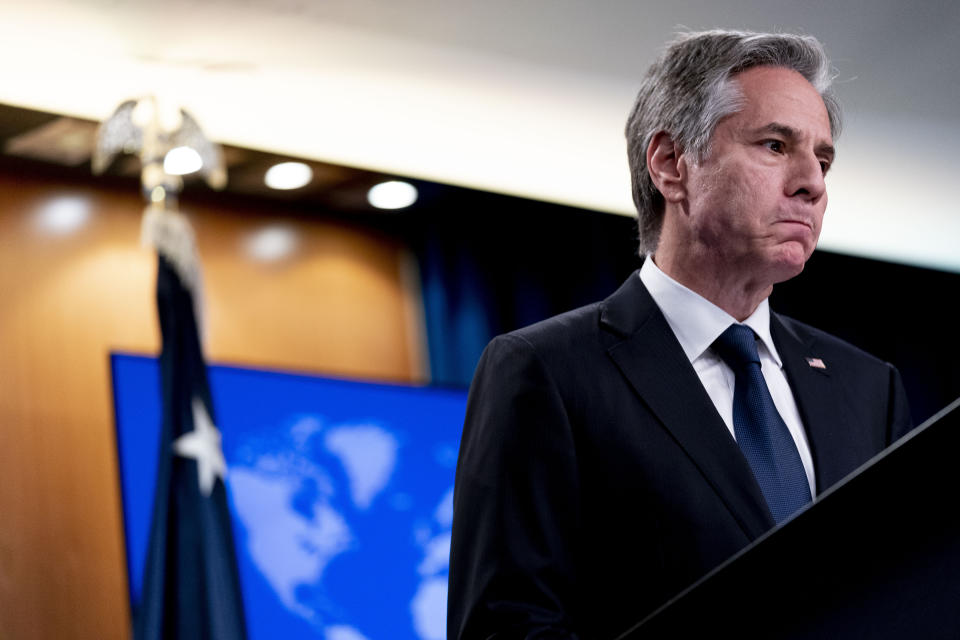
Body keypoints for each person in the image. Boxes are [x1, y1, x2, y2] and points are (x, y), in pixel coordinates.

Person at [447, 30, 914, 640]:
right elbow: (506, 627)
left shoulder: (868, 388)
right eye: (776, 145)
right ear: (671, 164)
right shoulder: (547, 370)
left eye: (823, 160)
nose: (813, 183)